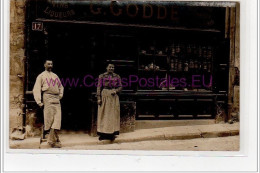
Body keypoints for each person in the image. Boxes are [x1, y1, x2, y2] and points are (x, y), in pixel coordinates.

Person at [33, 59, 64, 148]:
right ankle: (52, 141)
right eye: (48, 64)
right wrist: (39, 102)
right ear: (44, 65)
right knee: (49, 120)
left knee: (57, 119)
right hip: (47, 98)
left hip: (56, 99)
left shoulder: (55, 76)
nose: (50, 65)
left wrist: (60, 95)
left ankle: (52, 140)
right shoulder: (41, 76)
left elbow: (61, 86)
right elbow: (37, 89)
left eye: (51, 64)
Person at [96, 63, 122, 141]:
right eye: (110, 67)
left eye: (113, 67)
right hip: (105, 95)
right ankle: (102, 134)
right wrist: (98, 98)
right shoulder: (102, 76)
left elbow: (120, 86)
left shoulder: (117, 76)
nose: (111, 68)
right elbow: (99, 87)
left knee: (112, 115)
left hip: (113, 97)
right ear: (106, 68)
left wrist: (116, 90)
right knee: (104, 114)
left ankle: (112, 134)